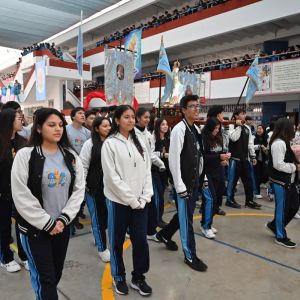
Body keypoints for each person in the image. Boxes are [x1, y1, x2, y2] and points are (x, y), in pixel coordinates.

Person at [11, 108, 85, 299]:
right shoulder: (25, 155)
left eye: (60, 125)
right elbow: (21, 194)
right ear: (38, 128)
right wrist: (47, 223)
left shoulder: (71, 156)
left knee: (55, 275)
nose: (58, 129)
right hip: (36, 230)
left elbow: (78, 190)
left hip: (62, 227)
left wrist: (63, 219)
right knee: (46, 279)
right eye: (51, 125)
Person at [101, 105, 153, 296]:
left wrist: (146, 195)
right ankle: (119, 276)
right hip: (119, 203)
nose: (131, 120)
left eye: (132, 117)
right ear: (117, 120)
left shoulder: (139, 139)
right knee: (116, 241)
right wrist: (132, 200)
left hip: (141, 202)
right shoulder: (110, 144)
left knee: (141, 241)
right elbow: (112, 178)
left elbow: (147, 170)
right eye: (126, 117)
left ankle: (138, 277)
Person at [156, 95, 208, 272]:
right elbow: (174, 161)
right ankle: (190, 255)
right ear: (184, 109)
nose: (196, 109)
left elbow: (199, 158)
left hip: (194, 183)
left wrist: (203, 178)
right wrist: (179, 186)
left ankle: (164, 234)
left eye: (198, 106)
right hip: (184, 185)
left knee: (183, 216)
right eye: (192, 106)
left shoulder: (196, 129)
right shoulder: (179, 129)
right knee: (187, 221)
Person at [0, 109, 28, 273]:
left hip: (21, 193)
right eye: (18, 118)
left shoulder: (23, 141)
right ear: (9, 121)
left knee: (22, 226)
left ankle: (24, 257)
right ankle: (6, 257)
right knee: (4, 227)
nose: (21, 121)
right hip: (3, 193)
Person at [80, 117, 111, 262]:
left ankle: (97, 233)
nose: (108, 128)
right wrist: (83, 186)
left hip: (110, 188)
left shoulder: (113, 143)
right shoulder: (90, 144)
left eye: (109, 126)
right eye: (104, 126)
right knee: (97, 218)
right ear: (97, 128)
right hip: (93, 187)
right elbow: (83, 166)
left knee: (105, 217)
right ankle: (102, 248)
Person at [265, 118, 300, 248]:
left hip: (289, 181)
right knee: (282, 209)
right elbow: (278, 164)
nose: (294, 129)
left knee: (294, 206)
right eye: (292, 127)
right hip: (280, 182)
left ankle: (274, 225)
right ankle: (280, 236)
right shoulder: (279, 143)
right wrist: (294, 167)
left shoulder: (285, 142)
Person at [135, 108, 165, 241]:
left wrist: (160, 164)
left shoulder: (148, 135)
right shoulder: (132, 134)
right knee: (138, 204)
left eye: (148, 117)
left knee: (152, 202)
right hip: (136, 175)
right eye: (145, 117)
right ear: (138, 118)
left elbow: (150, 153)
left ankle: (150, 230)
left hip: (149, 173)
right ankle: (133, 229)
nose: (147, 120)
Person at [226, 108, 261, 209]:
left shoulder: (247, 128)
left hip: (245, 160)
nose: (244, 115)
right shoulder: (231, 126)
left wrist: (253, 156)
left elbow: (250, 144)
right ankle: (229, 199)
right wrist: (239, 126)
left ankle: (249, 201)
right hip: (234, 160)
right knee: (232, 181)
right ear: (236, 115)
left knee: (249, 181)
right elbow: (234, 138)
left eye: (245, 114)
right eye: (242, 114)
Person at [201, 118, 230, 236]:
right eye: (215, 128)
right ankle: (205, 226)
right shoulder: (203, 138)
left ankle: (208, 222)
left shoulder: (218, 137)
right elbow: (203, 158)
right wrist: (219, 158)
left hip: (218, 171)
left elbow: (220, 153)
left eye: (218, 128)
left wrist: (223, 160)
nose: (217, 130)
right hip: (206, 173)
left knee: (217, 199)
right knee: (210, 198)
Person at [66, 107, 91, 230]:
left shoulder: (87, 133)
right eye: (80, 113)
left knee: (78, 193)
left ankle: (75, 218)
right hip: (68, 165)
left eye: (84, 113)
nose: (83, 115)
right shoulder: (66, 130)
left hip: (82, 167)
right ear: (72, 116)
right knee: (69, 193)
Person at [152, 118, 172, 228]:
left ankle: (159, 218)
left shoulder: (168, 138)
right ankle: (157, 220)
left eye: (166, 124)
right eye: (162, 124)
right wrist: (163, 155)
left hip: (165, 171)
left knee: (161, 196)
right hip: (155, 170)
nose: (165, 126)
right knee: (158, 197)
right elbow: (150, 153)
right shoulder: (153, 137)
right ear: (158, 126)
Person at [253, 125, 268, 197]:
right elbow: (251, 148)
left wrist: (265, 149)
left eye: (260, 129)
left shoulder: (266, 138)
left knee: (264, 174)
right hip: (255, 159)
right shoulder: (254, 138)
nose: (258, 130)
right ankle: (257, 192)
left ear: (264, 130)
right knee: (256, 175)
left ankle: (261, 183)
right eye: (258, 129)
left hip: (264, 160)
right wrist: (258, 146)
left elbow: (268, 151)